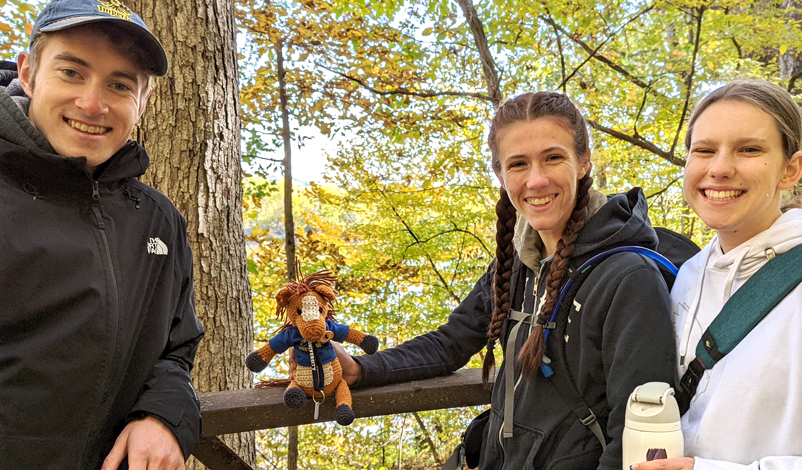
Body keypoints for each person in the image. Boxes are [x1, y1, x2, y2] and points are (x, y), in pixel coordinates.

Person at [334, 92, 697, 469]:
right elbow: (451, 343)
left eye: (553, 157)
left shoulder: (627, 277)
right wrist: (361, 369)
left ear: (584, 161)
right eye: (518, 164)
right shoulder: (516, 264)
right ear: (500, 174)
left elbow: (637, 434)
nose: (536, 180)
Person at [0, 1, 204, 469]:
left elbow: (176, 349)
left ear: (143, 102)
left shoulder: (158, 220)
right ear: (28, 73)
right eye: (72, 72)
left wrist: (164, 413)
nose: (93, 104)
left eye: (119, 84)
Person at [633, 81, 802, 470]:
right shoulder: (687, 275)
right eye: (704, 150)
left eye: (749, 149)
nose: (720, 168)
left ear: (789, 170)